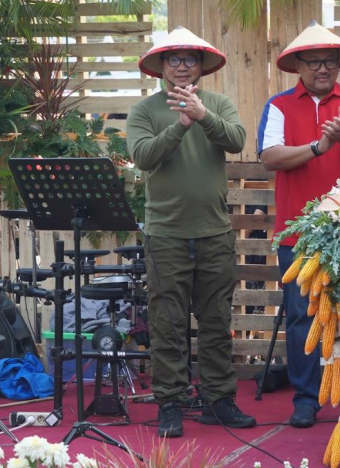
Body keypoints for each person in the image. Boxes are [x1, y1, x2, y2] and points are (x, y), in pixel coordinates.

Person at [258, 22, 340, 428]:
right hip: (299, 234)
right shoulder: (279, 105)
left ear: (339, 65)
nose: (322, 69)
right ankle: (306, 398)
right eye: (313, 62)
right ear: (298, 65)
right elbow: (270, 157)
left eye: (329, 61)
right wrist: (318, 147)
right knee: (302, 317)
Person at [129, 26, 254, 437]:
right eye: (174, 59)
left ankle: (219, 400)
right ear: (161, 66)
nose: (182, 66)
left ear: (201, 65)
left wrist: (202, 115)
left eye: (189, 59)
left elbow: (236, 140)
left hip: (214, 231)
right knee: (167, 324)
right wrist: (181, 125)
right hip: (166, 234)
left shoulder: (218, 103)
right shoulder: (145, 110)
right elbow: (143, 156)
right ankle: (170, 402)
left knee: (216, 321)